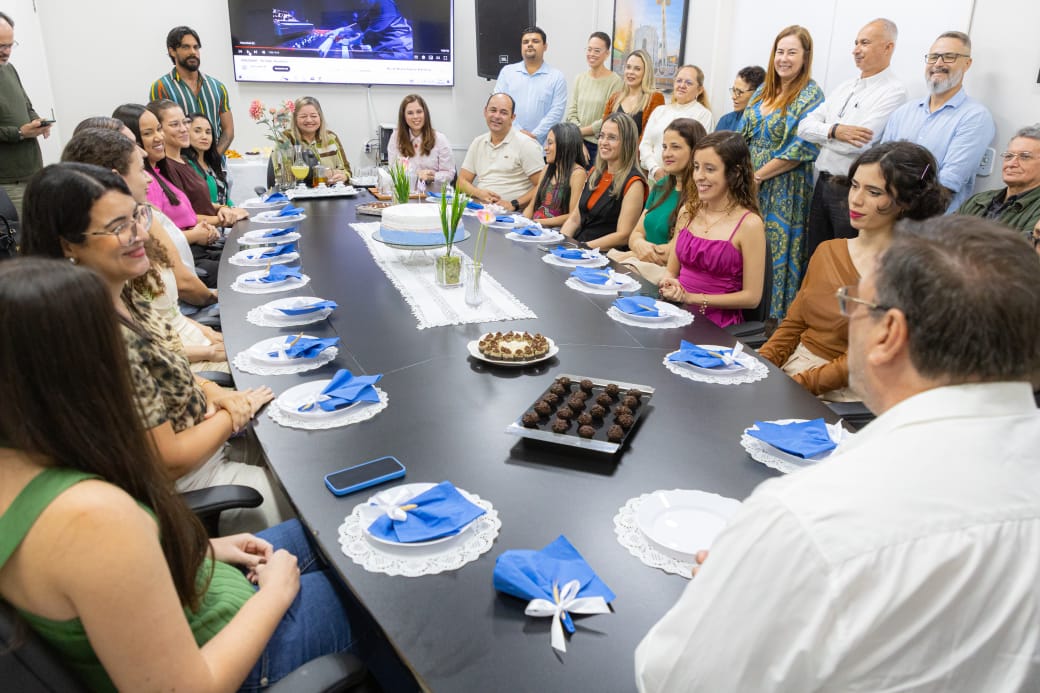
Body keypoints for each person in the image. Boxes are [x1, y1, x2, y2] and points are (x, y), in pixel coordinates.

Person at [636, 215, 1040, 692]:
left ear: (889, 333)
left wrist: (731, 585)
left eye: (856, 305)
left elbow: (676, 677)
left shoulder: (807, 519)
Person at [0, 257, 361, 691]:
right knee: (383, 596)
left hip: (202, 584)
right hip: (242, 647)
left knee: (345, 528)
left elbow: (107, 584)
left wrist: (202, 549)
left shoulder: (24, 464)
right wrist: (275, 595)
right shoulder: (89, 518)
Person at [20, 163, 288, 533]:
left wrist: (213, 392)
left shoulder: (124, 292)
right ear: (68, 245)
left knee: (302, 439)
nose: (140, 235)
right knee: (314, 507)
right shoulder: (99, 335)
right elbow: (169, 461)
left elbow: (170, 362)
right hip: (186, 482)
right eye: (118, 228)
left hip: (207, 437)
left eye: (137, 218)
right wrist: (233, 413)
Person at [758, 141, 947, 400]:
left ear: (905, 201)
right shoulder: (828, 250)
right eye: (854, 186)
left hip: (848, 392)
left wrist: (798, 384)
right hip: (795, 371)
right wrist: (761, 364)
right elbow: (794, 323)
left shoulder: (909, 272)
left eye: (873, 192)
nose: (855, 200)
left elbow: (862, 360)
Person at [61, 128, 227, 372]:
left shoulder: (139, 222)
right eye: (141, 168)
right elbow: (147, 357)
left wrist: (212, 338)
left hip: (191, 348)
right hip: (186, 365)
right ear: (116, 178)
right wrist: (212, 351)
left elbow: (169, 321)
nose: (149, 177)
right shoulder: (114, 260)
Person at [799, 19, 909, 257]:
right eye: (856, 42)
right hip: (822, 184)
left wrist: (823, 132)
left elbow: (860, 143)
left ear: (888, 47)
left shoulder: (894, 91)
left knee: (843, 261)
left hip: (852, 190)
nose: (856, 49)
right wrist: (834, 131)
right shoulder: (845, 87)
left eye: (865, 43)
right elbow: (804, 127)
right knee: (816, 256)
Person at [741, 25, 824, 319]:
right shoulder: (763, 91)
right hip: (748, 186)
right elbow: (742, 136)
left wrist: (758, 176)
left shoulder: (811, 94)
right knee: (744, 251)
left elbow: (801, 149)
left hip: (784, 189)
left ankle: (770, 326)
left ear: (805, 57)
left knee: (774, 256)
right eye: (780, 51)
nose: (784, 58)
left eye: (792, 52)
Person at [658, 131, 766, 327]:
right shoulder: (687, 212)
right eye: (697, 167)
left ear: (734, 173)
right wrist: (669, 284)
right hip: (675, 312)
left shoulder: (750, 224)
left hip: (718, 326)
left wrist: (692, 298)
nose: (699, 176)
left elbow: (752, 298)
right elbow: (671, 271)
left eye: (709, 169)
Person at [880, 31, 995, 213]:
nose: (938, 64)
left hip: (931, 224)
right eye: (933, 57)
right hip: (886, 212)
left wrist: (899, 205)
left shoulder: (975, 117)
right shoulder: (903, 112)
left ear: (967, 63)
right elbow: (881, 162)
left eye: (949, 57)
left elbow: (948, 183)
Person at [114, 102, 223, 290]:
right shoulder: (145, 182)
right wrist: (198, 233)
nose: (158, 137)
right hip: (189, 262)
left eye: (158, 130)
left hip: (197, 251)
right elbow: (156, 240)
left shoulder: (160, 171)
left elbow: (184, 216)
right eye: (148, 133)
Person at [612, 118, 707, 282]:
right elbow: (635, 234)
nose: (667, 153)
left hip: (668, 274)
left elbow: (672, 252)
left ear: (695, 152)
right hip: (639, 261)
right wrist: (639, 246)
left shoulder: (701, 195)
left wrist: (639, 251)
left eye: (675, 147)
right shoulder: (661, 185)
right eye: (664, 147)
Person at [148, 99, 246, 226]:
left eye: (185, 122)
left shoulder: (185, 161)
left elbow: (199, 203)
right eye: (174, 124)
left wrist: (222, 209)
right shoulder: (165, 167)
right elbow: (181, 215)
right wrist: (223, 219)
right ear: (159, 129)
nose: (183, 129)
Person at [560, 112, 646, 249]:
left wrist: (581, 248)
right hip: (578, 247)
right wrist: (561, 243)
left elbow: (623, 235)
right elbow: (575, 218)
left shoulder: (634, 183)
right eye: (601, 136)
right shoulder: (595, 172)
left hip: (602, 255)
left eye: (612, 138)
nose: (604, 142)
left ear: (627, 143)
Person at [149, 26, 234, 155]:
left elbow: (228, 131)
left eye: (196, 47)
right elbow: (160, 132)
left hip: (216, 169)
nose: (193, 52)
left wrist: (213, 159)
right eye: (186, 47)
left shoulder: (217, 87)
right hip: (181, 168)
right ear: (172, 51)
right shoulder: (162, 87)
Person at [0, 12, 51, 218]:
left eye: (10, 45)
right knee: (21, 243)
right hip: (7, 182)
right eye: (1, 46)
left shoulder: (9, 69)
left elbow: (27, 105)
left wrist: (38, 122)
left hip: (33, 172)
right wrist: (19, 133)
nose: (6, 52)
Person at [457, 93, 545, 212]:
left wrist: (514, 204)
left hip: (512, 215)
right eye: (493, 110)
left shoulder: (526, 144)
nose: (497, 116)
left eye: (503, 112)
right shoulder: (478, 142)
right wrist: (479, 193)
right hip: (480, 210)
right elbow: (461, 182)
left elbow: (544, 185)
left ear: (512, 117)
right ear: (485, 112)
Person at [958, 125, 1040, 239]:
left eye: (1024, 157)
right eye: (1008, 156)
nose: (1011, 164)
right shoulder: (978, 200)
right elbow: (944, 234)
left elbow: (1021, 253)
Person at [493, 26, 567, 145]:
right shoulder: (507, 72)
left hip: (541, 146)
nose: (530, 44)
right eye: (525, 42)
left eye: (535, 41)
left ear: (545, 46)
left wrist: (534, 135)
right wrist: (519, 132)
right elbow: (498, 105)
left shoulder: (556, 77)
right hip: (509, 142)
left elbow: (556, 112)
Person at [639, 65, 715, 182]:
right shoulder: (660, 111)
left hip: (682, 183)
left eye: (689, 83)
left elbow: (699, 152)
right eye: (679, 81)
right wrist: (655, 169)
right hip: (654, 179)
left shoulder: (704, 115)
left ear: (699, 90)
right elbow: (645, 145)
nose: (682, 86)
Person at [565, 31, 623, 163]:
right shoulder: (579, 78)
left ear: (607, 54)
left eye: (597, 51)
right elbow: (571, 113)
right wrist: (579, 140)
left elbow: (609, 118)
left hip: (600, 146)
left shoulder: (615, 82)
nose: (591, 54)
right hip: (575, 143)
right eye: (589, 49)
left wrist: (579, 132)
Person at [522, 122, 588, 227]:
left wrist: (537, 223)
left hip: (555, 232)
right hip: (535, 227)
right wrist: (522, 223)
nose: (545, 148)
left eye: (550, 143)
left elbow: (573, 216)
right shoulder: (547, 168)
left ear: (565, 144)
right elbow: (532, 206)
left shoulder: (578, 174)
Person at [387, 94, 454, 190]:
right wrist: (411, 174)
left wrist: (433, 176)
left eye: (419, 112)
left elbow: (450, 174)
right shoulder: (395, 138)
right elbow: (393, 170)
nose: (415, 116)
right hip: (406, 195)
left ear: (425, 113)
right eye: (410, 113)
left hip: (433, 197)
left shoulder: (440, 139)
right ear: (404, 117)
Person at [287, 96, 351, 184]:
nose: (309, 120)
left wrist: (344, 176)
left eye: (313, 116)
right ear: (295, 119)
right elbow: (281, 175)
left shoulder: (331, 138)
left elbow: (347, 171)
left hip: (331, 194)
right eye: (303, 116)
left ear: (320, 117)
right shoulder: (286, 139)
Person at [603, 50, 664, 143]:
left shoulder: (655, 98)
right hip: (612, 155)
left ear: (646, 72)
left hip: (636, 156)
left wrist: (629, 154)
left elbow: (649, 137)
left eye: (637, 69)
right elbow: (604, 131)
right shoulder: (614, 98)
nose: (630, 72)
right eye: (628, 67)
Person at [185, 113, 233, 207]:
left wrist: (234, 209)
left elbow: (225, 198)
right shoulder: (186, 166)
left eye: (208, 132)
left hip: (227, 217)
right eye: (197, 131)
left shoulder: (212, 164)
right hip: (208, 219)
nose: (204, 136)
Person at [715, 66, 765, 132]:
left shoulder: (766, 126)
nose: (733, 97)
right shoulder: (726, 121)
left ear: (758, 93)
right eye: (733, 90)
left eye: (740, 92)